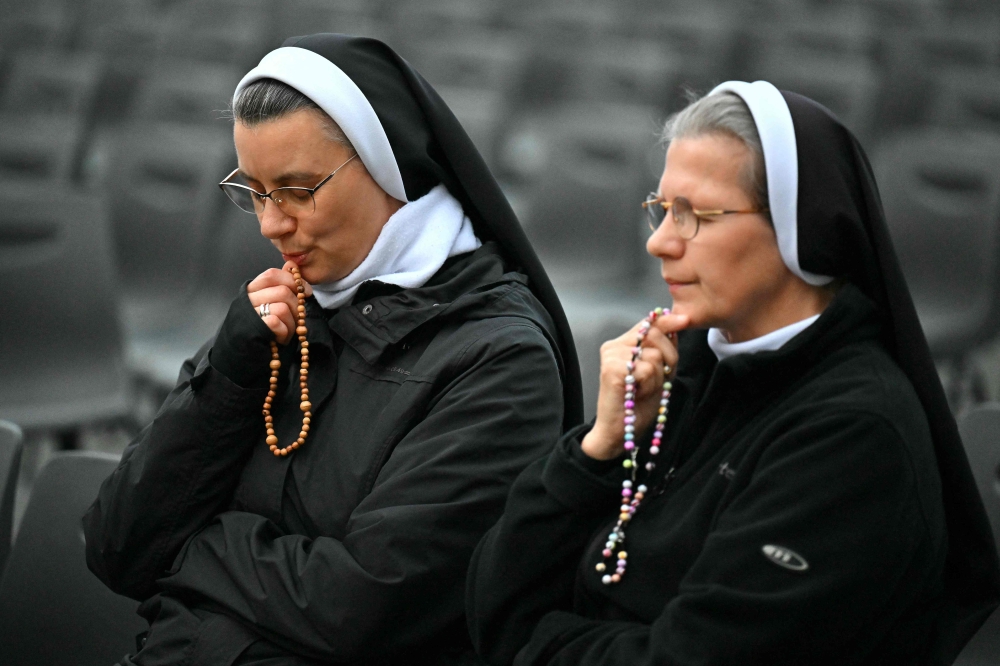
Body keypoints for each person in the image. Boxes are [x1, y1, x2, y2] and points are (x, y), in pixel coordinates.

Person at [84, 34, 583, 666]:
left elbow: (361, 608)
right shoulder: (283, 312)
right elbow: (115, 543)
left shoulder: (501, 358)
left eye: (298, 189)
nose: (271, 225)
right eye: (257, 192)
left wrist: (188, 549)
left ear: (388, 168)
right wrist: (231, 371)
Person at [467, 81, 1000, 665]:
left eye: (695, 215)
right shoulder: (682, 371)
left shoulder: (853, 434)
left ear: (800, 228)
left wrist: (533, 642)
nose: (661, 244)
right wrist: (597, 449)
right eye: (662, 211)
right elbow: (490, 600)